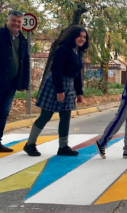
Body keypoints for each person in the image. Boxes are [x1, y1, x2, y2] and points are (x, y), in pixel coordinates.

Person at [23, 25, 88, 156]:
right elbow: (56, 70)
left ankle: (63, 147)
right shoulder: (63, 50)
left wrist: (79, 93)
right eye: (79, 36)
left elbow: (77, 75)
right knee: (45, 116)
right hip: (55, 84)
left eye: (84, 37)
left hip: (69, 85)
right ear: (73, 36)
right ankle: (30, 144)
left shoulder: (77, 52)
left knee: (65, 117)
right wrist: (59, 90)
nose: (82, 39)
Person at [0, 10, 30, 153]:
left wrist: (24, 83)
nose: (16, 23)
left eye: (19, 22)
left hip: (11, 82)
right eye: (14, 20)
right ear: (7, 21)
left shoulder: (23, 40)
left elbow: (26, 62)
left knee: (3, 112)